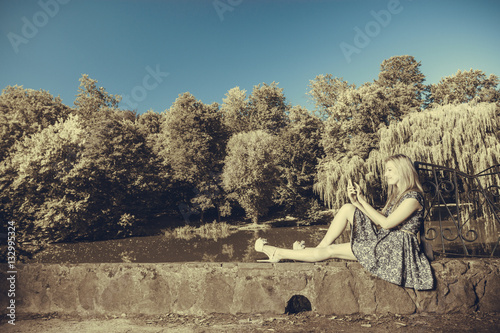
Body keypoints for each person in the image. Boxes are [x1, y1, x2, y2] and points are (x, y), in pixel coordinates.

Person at [254, 154, 434, 290]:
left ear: (403, 170)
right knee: (348, 207)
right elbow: (380, 221)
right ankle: (315, 249)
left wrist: (363, 201)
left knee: (331, 250)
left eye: (389, 170)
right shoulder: (398, 196)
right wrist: (358, 200)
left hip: (395, 249)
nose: (385, 174)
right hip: (385, 241)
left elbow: (386, 223)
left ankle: (277, 252)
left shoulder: (413, 197)